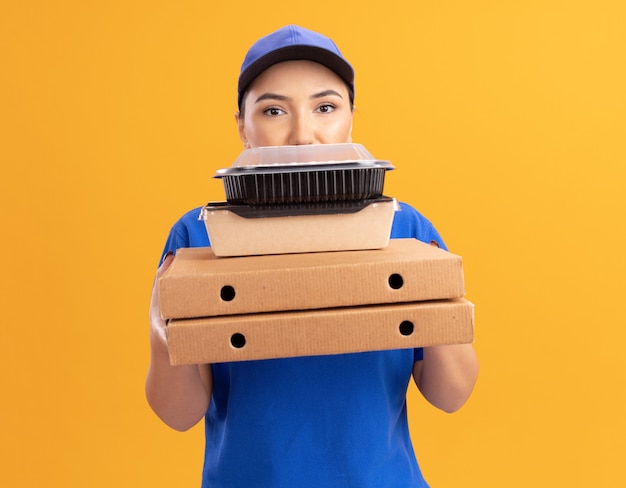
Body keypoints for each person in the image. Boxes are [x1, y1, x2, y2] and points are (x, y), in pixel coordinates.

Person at [146, 25, 478, 487]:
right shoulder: (199, 238)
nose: (303, 135)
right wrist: (162, 333)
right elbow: (179, 414)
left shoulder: (405, 230)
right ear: (242, 125)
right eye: (274, 110)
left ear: (350, 119)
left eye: (325, 107)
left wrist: (441, 309)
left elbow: (451, 395)